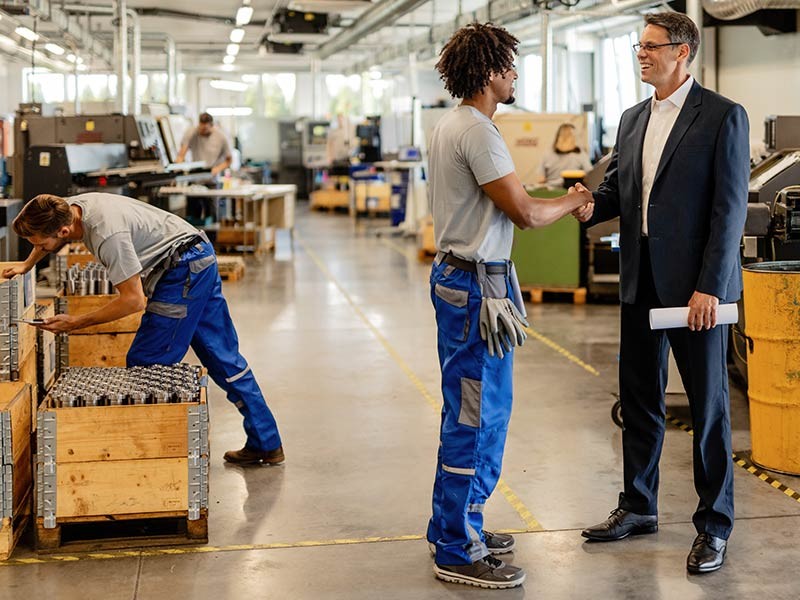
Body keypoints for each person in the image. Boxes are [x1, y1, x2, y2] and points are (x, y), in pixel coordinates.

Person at [578, 12, 749, 575]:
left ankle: (715, 524)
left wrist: (710, 287)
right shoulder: (632, 120)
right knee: (640, 400)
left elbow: (729, 211)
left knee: (708, 408)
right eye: (639, 46)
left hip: (695, 292)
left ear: (683, 51)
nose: (642, 55)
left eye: (651, 47)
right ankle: (639, 505)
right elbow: (617, 191)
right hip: (640, 281)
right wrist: (586, 205)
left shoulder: (721, 116)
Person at [427, 22, 593, 590]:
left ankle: (458, 520)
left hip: (468, 276)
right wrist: (573, 201)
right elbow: (524, 212)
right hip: (476, 285)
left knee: (475, 410)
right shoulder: (479, 132)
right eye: (511, 66)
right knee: (477, 417)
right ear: (491, 72)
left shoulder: (454, 123)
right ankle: (455, 545)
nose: (516, 74)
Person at [5, 193, 285, 466]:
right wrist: (26, 265)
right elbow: (47, 238)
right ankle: (267, 442)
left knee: (147, 364)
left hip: (183, 272)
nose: (36, 245)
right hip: (199, 256)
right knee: (222, 356)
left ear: (64, 231)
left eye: (38, 242)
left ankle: (156, 463)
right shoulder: (67, 207)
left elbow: (133, 300)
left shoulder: (107, 236)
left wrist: (77, 322)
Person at [176, 112, 233, 177]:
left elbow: (229, 160)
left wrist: (217, 169)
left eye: (205, 129)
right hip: (195, 175)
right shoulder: (191, 133)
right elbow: (181, 155)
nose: (202, 132)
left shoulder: (221, 137)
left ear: (212, 125)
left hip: (213, 178)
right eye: (201, 128)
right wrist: (177, 168)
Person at [537, 123, 593, 188]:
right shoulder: (580, 154)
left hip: (551, 192)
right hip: (573, 191)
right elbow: (590, 176)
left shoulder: (547, 153)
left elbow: (541, 180)